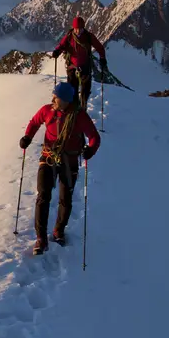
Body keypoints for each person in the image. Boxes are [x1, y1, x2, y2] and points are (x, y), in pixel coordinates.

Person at [19, 82, 101, 254]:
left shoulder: (78, 116)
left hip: (68, 160)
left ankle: (58, 230)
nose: (53, 98)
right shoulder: (47, 110)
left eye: (56, 96)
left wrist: (90, 150)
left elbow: (94, 136)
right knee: (43, 196)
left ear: (65, 100)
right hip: (49, 157)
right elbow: (34, 123)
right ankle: (41, 237)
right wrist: (27, 136)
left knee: (65, 198)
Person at [52, 16, 107, 109]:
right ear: (73, 28)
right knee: (72, 89)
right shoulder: (69, 36)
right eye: (76, 29)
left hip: (83, 65)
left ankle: (83, 105)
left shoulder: (88, 36)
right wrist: (57, 51)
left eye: (80, 29)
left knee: (85, 88)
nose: (78, 31)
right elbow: (62, 45)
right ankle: (74, 107)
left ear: (83, 27)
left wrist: (102, 58)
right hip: (73, 66)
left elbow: (99, 47)